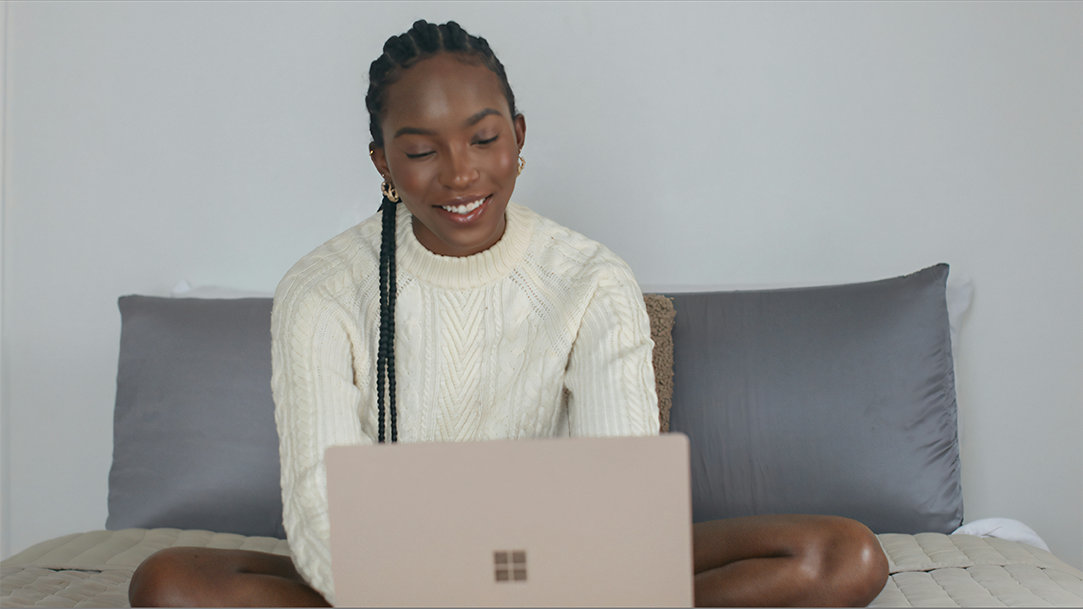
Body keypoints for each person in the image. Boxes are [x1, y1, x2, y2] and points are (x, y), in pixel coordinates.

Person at [128, 20, 888, 607]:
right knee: (170, 582)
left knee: (841, 557)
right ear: (382, 163)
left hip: (565, 563)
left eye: (483, 138)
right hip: (397, 569)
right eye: (420, 149)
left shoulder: (590, 278)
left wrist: (544, 584)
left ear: (517, 137)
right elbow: (321, 510)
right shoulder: (322, 289)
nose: (460, 173)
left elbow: (619, 494)